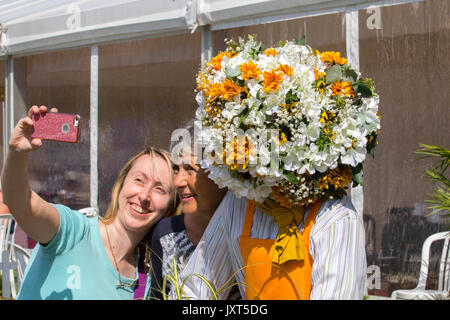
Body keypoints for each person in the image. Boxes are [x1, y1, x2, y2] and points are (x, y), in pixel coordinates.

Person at [1, 105, 177, 300]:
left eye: (159, 189)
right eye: (139, 180)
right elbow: (21, 203)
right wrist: (17, 154)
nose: (144, 196)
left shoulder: (146, 283)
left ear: (169, 207)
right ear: (121, 185)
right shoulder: (74, 231)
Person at [149, 122, 227, 300]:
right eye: (176, 169)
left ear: (222, 174)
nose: (177, 182)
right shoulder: (167, 235)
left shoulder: (247, 231)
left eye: (190, 169)